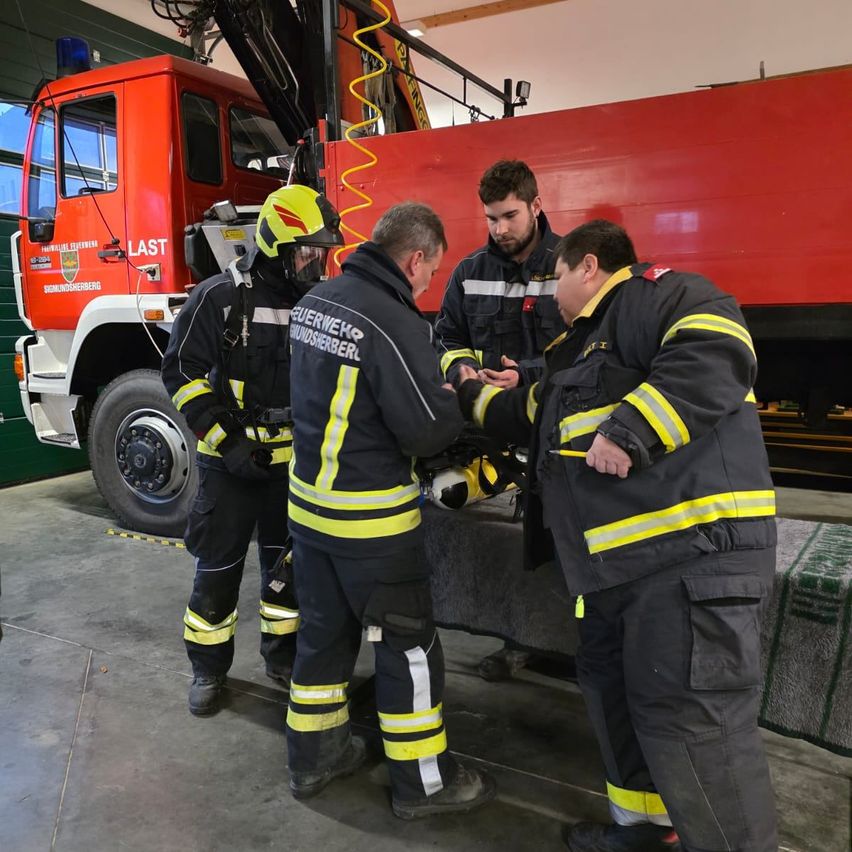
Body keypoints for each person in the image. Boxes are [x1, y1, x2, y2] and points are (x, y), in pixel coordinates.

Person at [456, 220, 778, 852]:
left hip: (686, 561)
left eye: (556, 278)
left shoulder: (658, 295)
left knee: (696, 731)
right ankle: (641, 833)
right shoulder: (577, 352)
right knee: (622, 702)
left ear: (590, 266)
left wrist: (632, 430)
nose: (550, 293)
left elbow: (719, 348)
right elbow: (525, 416)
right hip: (615, 575)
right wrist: (471, 391)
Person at [284, 201, 495, 819]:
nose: (430, 285)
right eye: (432, 273)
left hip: (309, 512)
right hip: (371, 523)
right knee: (407, 649)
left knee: (322, 638)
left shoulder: (316, 302)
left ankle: (314, 760)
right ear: (415, 258)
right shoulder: (391, 320)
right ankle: (424, 783)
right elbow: (427, 431)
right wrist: (466, 394)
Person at [161, 185, 343, 717]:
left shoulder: (315, 303)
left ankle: (281, 659)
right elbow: (181, 374)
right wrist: (228, 442)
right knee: (217, 573)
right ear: (273, 245)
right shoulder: (219, 298)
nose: (314, 263)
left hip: (291, 468)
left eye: (320, 253)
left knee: (287, 573)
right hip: (232, 467)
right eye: (305, 250)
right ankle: (208, 669)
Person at [435, 158, 566, 681]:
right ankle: (513, 638)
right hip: (489, 435)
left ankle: (553, 645)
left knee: (551, 548)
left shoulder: (570, 265)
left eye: (510, 215)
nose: (499, 229)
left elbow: (592, 349)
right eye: (490, 218)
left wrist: (527, 375)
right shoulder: (470, 273)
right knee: (500, 551)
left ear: (536, 205)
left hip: (552, 431)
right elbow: (445, 336)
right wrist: (461, 367)